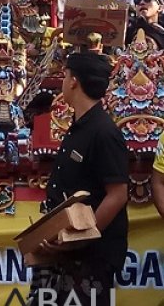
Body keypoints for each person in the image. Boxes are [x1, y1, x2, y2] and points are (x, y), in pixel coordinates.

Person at [28, 52, 129, 306]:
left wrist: (79, 238)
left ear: (74, 81)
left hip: (89, 258)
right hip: (60, 253)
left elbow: (117, 194)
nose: (62, 81)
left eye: (65, 75)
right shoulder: (79, 126)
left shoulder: (104, 132)